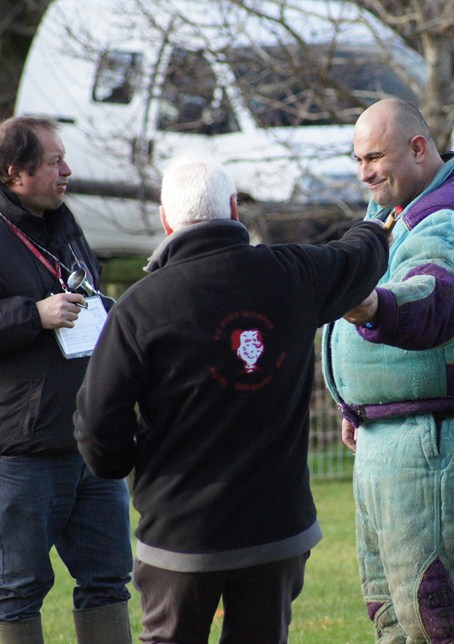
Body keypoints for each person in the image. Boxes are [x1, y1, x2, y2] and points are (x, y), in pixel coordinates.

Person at [73, 158, 390, 643]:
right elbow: (358, 257)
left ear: (165, 220)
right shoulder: (294, 273)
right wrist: (377, 224)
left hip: (180, 535)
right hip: (277, 531)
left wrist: (132, 465)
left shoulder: (139, 308)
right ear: (235, 209)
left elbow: (97, 427)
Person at [322, 98, 454, 643]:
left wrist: (373, 307)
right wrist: (356, 405)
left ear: (419, 148)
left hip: (443, 449)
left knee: (449, 619)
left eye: (375, 157)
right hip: (399, 442)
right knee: (396, 620)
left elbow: (441, 300)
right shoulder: (398, 211)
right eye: (358, 159)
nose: (365, 171)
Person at [0, 116, 133, 643]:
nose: (68, 171)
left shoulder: (63, 223)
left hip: (89, 440)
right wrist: (30, 315)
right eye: (54, 162)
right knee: (20, 587)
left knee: (108, 579)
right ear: (16, 174)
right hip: (20, 450)